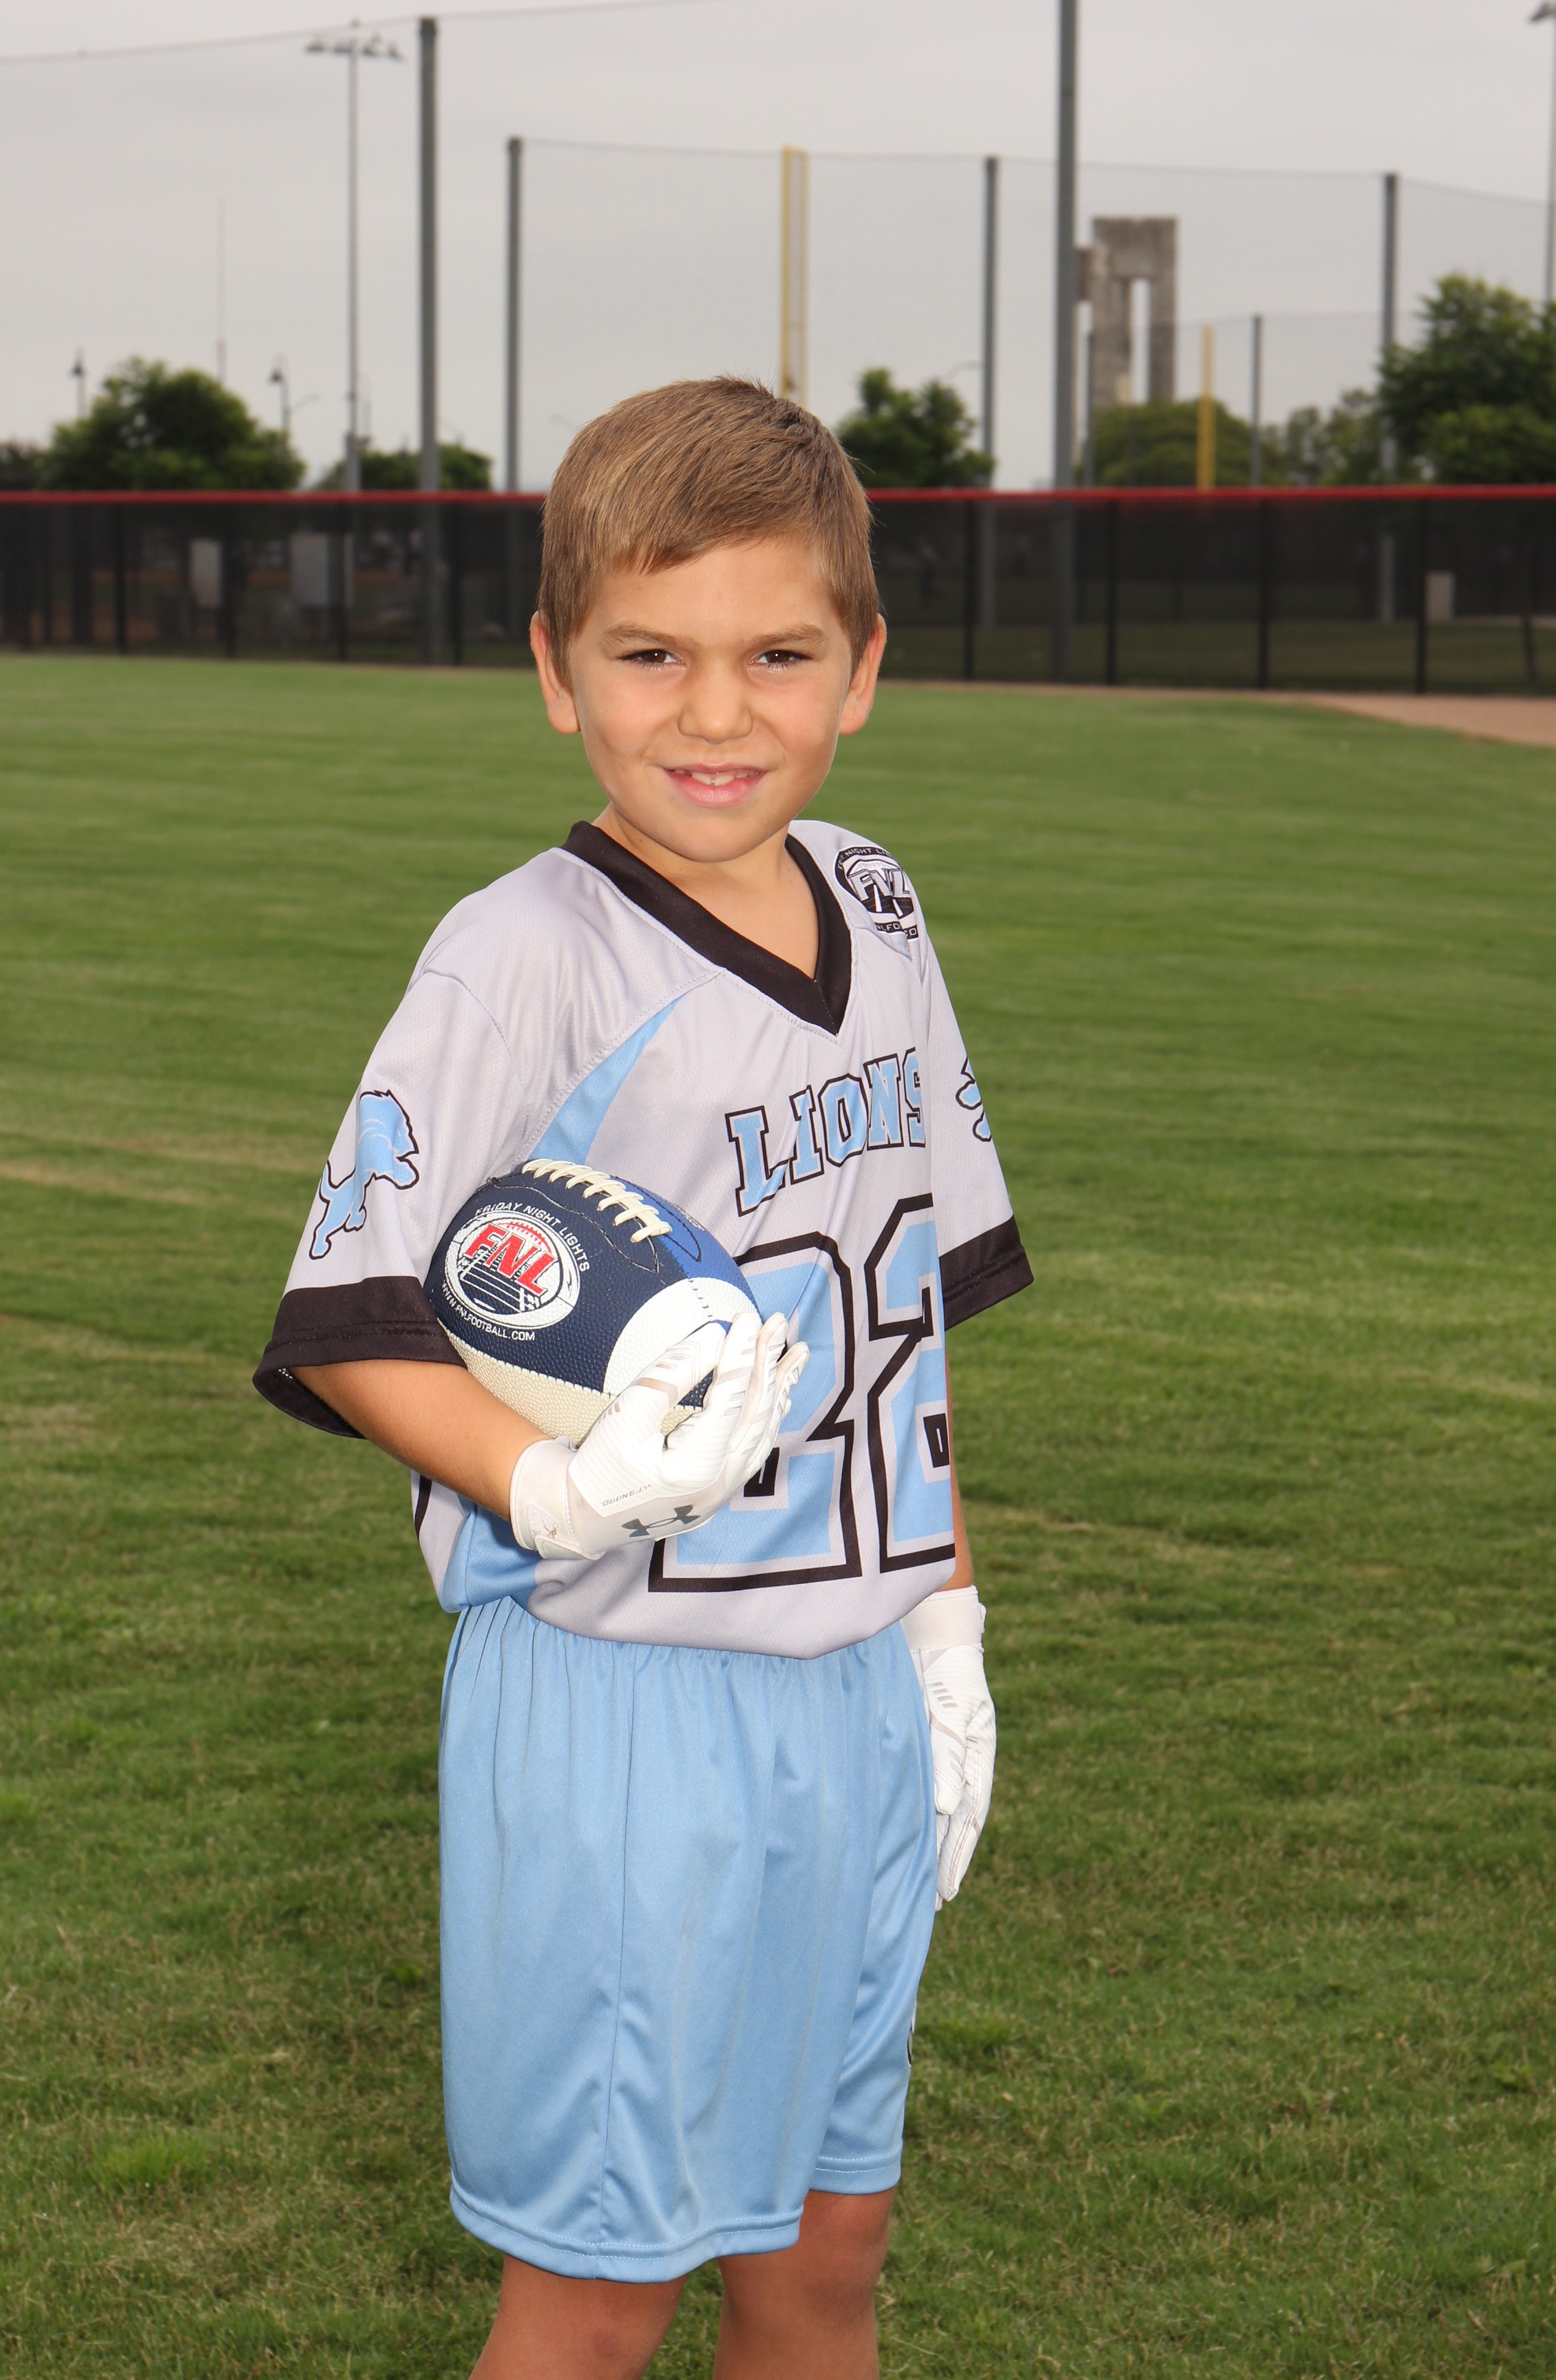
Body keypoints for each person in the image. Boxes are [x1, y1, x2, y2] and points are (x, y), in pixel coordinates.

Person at [254, 377, 1032, 2379]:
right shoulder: (522, 953)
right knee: (598, 2300)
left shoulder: (879, 904)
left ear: (864, 669)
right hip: (627, 1697)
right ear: (554, 672)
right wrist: (551, 1489)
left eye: (777, 655)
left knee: (828, 2260)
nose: (715, 712)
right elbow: (357, 1315)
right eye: (650, 655)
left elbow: (906, 1312)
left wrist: (946, 1620)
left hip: (856, 1691)